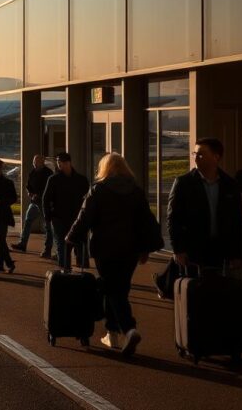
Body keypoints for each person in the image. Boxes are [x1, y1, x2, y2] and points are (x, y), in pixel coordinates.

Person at [67, 153, 162, 357]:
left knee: (112, 290)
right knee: (119, 289)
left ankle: (128, 329)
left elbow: (85, 217)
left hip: (105, 248)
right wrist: (145, 248)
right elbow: (146, 221)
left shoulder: (99, 190)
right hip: (130, 250)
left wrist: (71, 237)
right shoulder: (135, 191)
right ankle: (112, 333)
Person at [167, 138, 242, 271]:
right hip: (193, 252)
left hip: (222, 252)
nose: (196, 158)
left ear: (216, 157)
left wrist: (238, 254)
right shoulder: (183, 183)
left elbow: (237, 221)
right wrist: (178, 249)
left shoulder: (230, 185)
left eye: (201, 154)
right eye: (194, 154)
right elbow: (173, 219)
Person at [42, 152, 90, 269]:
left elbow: (87, 200)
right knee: (62, 245)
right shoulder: (53, 179)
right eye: (58, 162)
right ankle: (65, 270)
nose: (58, 165)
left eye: (60, 162)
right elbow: (46, 199)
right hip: (59, 218)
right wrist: (48, 217)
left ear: (68, 163)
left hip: (76, 218)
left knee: (78, 243)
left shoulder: (81, 180)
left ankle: (79, 264)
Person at [12, 155, 54, 257]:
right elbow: (28, 185)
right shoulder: (33, 172)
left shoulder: (48, 173)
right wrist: (29, 192)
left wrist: (38, 195)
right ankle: (23, 243)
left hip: (44, 203)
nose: (34, 163)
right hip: (34, 202)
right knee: (28, 221)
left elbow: (48, 188)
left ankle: (47, 250)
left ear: (42, 162)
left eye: (36, 161)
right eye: (33, 161)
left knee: (47, 226)